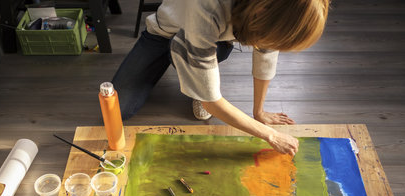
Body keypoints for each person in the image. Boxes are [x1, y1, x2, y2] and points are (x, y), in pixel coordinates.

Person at [112, 0, 330, 155]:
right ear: (261, 11)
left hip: (211, 36)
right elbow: (211, 101)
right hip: (166, 30)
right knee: (118, 109)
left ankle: (195, 69)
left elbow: (267, 51)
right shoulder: (206, 7)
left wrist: (259, 111)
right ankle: (190, 67)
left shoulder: (275, 10)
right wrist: (270, 135)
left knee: (202, 61)